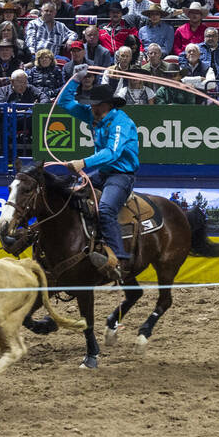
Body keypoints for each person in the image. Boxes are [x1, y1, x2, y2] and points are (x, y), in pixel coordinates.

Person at [55, 68, 141, 282]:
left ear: (106, 105)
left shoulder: (122, 122)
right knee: (70, 197)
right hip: (103, 174)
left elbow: (112, 153)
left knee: (106, 209)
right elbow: (64, 103)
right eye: (90, 104)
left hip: (121, 176)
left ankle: (119, 259)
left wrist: (83, 162)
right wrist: (75, 79)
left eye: (94, 104)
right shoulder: (93, 114)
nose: (90, 107)